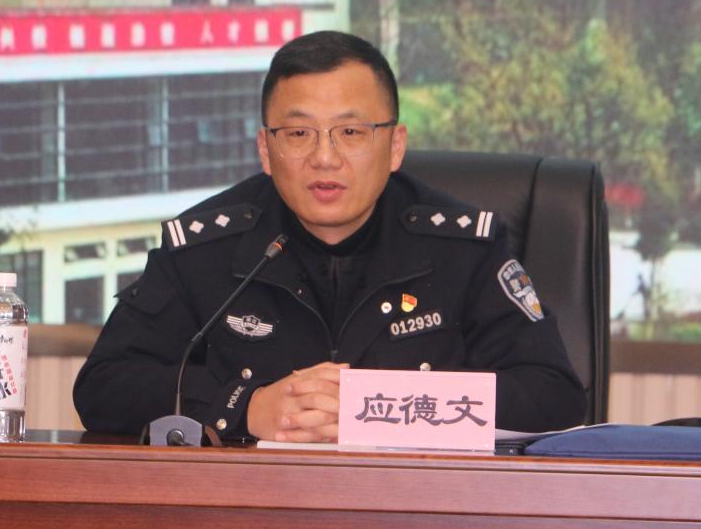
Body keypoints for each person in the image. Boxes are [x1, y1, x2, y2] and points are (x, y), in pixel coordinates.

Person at [73, 30, 586, 442]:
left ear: (395, 146)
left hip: (420, 517)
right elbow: (103, 386)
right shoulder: (204, 251)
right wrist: (245, 406)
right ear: (265, 150)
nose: (324, 158)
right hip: (251, 519)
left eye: (351, 132)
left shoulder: (463, 251)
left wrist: (378, 407)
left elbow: (554, 395)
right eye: (299, 133)